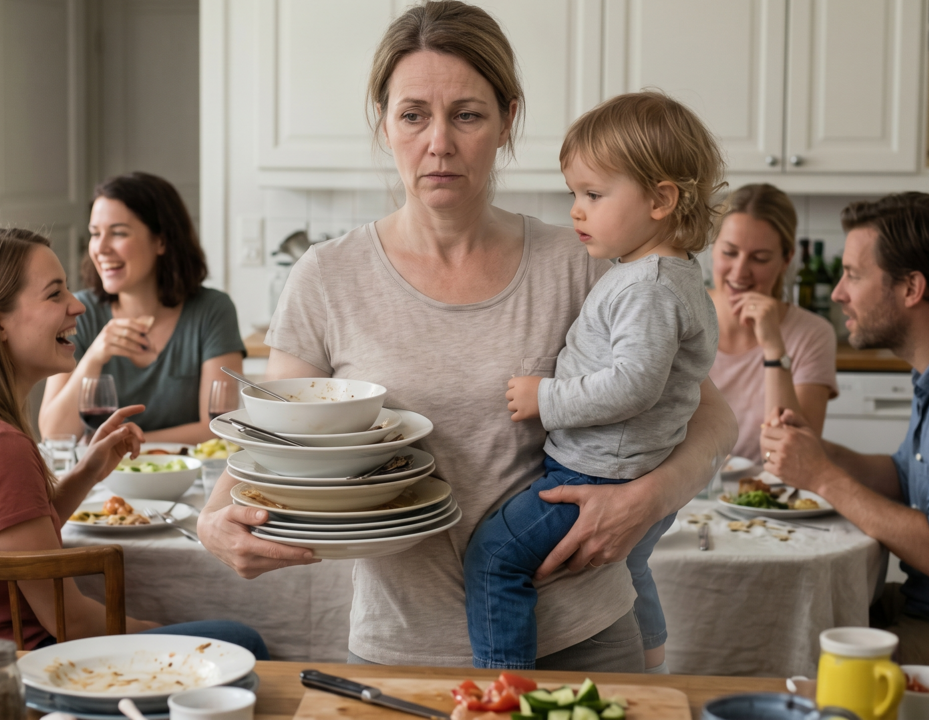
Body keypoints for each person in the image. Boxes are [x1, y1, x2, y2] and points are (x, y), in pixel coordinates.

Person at [196, 0, 736, 670]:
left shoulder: (583, 261)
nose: (439, 143)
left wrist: (647, 500)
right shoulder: (328, 277)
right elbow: (273, 440)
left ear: (508, 120)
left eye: (468, 115)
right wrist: (212, 523)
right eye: (413, 114)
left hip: (580, 636)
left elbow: (711, 416)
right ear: (385, 122)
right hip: (403, 648)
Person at [0, 227, 267, 655]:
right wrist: (170, 633)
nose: (78, 305)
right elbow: (72, 622)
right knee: (241, 643)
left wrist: (88, 472)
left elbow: (9, 537)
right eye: (55, 295)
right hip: (22, 666)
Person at [464, 92, 722, 672]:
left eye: (594, 195)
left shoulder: (645, 287)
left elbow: (634, 385)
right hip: (632, 467)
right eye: (575, 194)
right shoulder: (663, 273)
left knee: (494, 558)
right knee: (631, 569)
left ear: (660, 199)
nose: (576, 210)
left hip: (597, 473)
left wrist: (544, 398)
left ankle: (505, 690)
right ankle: (652, 660)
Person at [762, 193, 929, 664]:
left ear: (911, 288)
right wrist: (818, 451)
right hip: (913, 602)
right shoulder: (924, 376)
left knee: (795, 657)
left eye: (853, 275)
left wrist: (821, 477)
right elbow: (903, 475)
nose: (837, 293)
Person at [40, 172, 244, 444]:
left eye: (118, 233)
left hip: (188, 480)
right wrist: (95, 356)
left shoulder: (212, 310)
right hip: (101, 483)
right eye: (94, 234)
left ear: (161, 241)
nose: (100, 248)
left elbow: (221, 428)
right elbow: (54, 435)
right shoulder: (79, 311)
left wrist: (124, 442)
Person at [709, 184, 837, 461]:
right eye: (729, 253)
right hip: (683, 492)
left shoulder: (813, 334)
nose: (740, 271)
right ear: (713, 247)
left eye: (759, 258)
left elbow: (800, 455)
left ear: (786, 259)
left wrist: (773, 347)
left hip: (768, 496)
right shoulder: (679, 313)